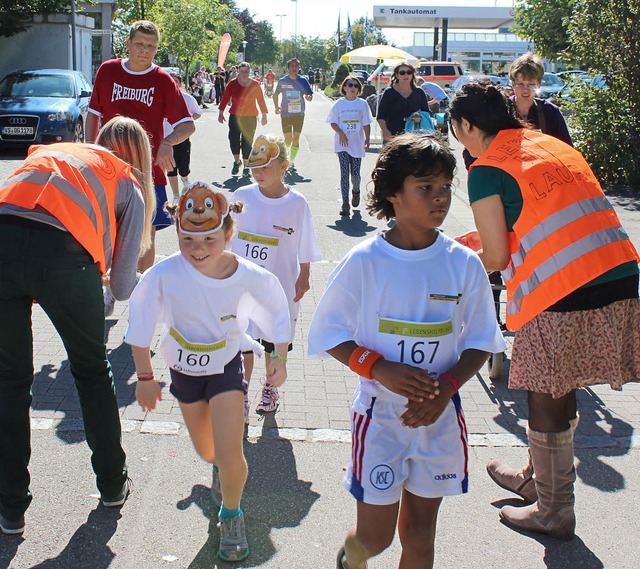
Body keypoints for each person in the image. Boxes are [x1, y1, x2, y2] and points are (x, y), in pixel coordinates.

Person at [449, 81, 640, 540]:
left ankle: (554, 510)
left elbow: (495, 259)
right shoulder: (549, 144)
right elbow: (540, 218)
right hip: (619, 271)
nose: (455, 134)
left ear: (467, 126)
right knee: (562, 383)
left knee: (544, 393)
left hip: (562, 289)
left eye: (454, 127)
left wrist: (449, 265)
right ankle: (536, 478)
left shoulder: (486, 168)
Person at [307, 134, 506, 568]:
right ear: (393, 194)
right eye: (425, 187)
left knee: (420, 533)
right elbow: (327, 332)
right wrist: (378, 369)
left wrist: (448, 386)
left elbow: (480, 339)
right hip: (380, 418)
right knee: (375, 540)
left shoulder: (464, 262)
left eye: (445, 188)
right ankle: (349, 559)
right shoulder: (364, 261)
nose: (439, 198)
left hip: (439, 417)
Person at [0, 116, 156, 535]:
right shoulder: (127, 181)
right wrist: (158, 288)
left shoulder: (57, 153)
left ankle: (10, 507)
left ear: (95, 140)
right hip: (64, 257)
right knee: (90, 370)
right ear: (141, 155)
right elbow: (123, 287)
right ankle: (111, 483)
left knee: (10, 381)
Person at [125, 183, 290, 561]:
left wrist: (278, 356)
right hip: (183, 371)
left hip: (226, 369)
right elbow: (140, 323)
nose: (198, 250)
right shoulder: (164, 275)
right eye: (188, 240)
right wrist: (146, 378)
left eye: (209, 240)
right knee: (208, 450)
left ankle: (231, 515)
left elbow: (277, 308)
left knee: (231, 452)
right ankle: (220, 468)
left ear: (229, 234)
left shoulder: (249, 275)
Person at [86, 20, 195, 276]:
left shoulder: (163, 81)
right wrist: (91, 152)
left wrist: (168, 142)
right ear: (128, 44)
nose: (144, 50)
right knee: (104, 229)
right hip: (109, 169)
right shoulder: (108, 71)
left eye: (151, 46)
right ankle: (107, 288)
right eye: (139, 44)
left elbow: (188, 125)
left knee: (147, 234)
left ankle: (140, 290)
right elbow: (93, 114)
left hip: (148, 172)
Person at [229, 135, 321, 420]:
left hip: (279, 286)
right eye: (254, 167)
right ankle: (241, 392)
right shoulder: (241, 196)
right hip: (243, 287)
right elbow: (226, 235)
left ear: (284, 166)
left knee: (273, 340)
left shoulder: (297, 203)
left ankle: (270, 386)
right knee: (243, 340)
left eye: (265, 167)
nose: (258, 173)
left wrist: (304, 276)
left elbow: (305, 242)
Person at [326, 74, 373, 216]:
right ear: (345, 88)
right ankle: (345, 203)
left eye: (356, 86)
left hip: (357, 143)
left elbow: (366, 123)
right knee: (344, 173)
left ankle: (356, 191)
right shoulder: (339, 104)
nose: (353, 88)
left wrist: (367, 138)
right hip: (343, 144)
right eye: (350, 85)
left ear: (359, 89)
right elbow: (332, 121)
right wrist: (340, 133)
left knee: (356, 174)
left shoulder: (362, 104)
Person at [218, 62, 268, 177]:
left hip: (250, 117)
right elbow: (225, 98)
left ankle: (246, 166)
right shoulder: (233, 84)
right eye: (242, 71)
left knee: (247, 141)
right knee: (233, 139)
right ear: (238, 72)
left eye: (246, 71)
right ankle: (237, 161)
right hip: (235, 116)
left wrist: (264, 115)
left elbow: (261, 100)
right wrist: (221, 113)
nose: (244, 74)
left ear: (249, 72)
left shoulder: (255, 84)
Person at [165, 73, 202, 204]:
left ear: (180, 84)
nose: (173, 84)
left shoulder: (187, 98)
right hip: (166, 139)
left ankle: (185, 179)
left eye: (176, 81)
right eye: (171, 81)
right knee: (170, 168)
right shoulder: (161, 97)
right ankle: (175, 195)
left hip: (182, 137)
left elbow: (198, 113)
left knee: (183, 168)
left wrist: (187, 121)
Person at [273, 58, 313, 170]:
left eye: (296, 66)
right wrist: (276, 107)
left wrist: (309, 97)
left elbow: (309, 94)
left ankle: (291, 161)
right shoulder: (282, 81)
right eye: (292, 66)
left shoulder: (303, 80)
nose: (294, 68)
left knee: (296, 137)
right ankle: (285, 158)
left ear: (299, 68)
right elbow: (275, 95)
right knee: (287, 139)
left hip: (299, 113)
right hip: (285, 113)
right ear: (288, 68)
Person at [376, 61, 430, 142]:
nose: (406, 75)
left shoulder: (419, 92)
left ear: (412, 75)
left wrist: (419, 116)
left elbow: (426, 112)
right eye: (402, 73)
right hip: (393, 136)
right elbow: (381, 116)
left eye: (409, 72)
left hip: (414, 136)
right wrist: (385, 130)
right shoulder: (389, 92)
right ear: (397, 75)